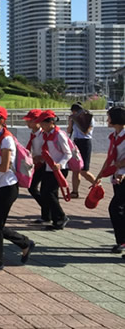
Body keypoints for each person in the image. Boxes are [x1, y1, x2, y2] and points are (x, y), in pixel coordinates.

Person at [0, 106, 35, 272]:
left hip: (8, 186)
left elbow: (4, 167)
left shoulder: (6, 139)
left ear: (1, 120)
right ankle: (25, 243)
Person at [93, 107, 125, 253]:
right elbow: (110, 158)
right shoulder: (114, 136)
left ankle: (122, 241)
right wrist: (99, 176)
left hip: (123, 175)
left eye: (109, 117)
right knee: (119, 209)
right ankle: (121, 241)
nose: (107, 120)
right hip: (117, 176)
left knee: (115, 208)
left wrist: (121, 167)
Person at [35, 109, 72, 230]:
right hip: (48, 168)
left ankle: (61, 217)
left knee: (48, 193)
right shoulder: (45, 135)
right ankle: (56, 219)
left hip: (59, 169)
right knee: (48, 193)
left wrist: (60, 164)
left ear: (51, 122)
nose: (42, 126)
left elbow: (68, 153)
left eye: (44, 123)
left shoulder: (59, 134)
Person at [23, 109, 50, 224]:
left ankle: (48, 213)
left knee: (43, 190)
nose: (28, 123)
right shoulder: (34, 134)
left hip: (46, 165)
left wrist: (41, 158)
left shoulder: (43, 134)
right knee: (33, 188)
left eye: (30, 120)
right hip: (38, 164)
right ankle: (47, 212)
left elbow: (49, 149)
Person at [68, 103, 97, 198]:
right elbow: (69, 131)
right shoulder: (73, 119)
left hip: (85, 142)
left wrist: (79, 120)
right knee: (75, 169)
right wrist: (71, 122)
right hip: (76, 142)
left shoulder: (89, 118)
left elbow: (86, 131)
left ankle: (97, 184)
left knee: (84, 170)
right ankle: (75, 191)